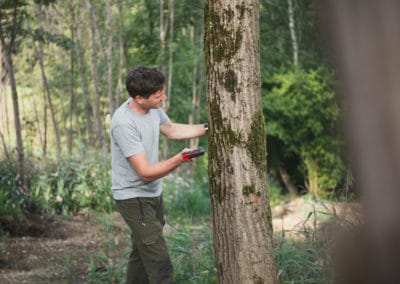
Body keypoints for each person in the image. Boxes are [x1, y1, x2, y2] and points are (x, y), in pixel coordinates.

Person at [110, 66, 208, 284]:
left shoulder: (153, 110)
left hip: (153, 193)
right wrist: (179, 159)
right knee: (159, 262)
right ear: (139, 98)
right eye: (158, 95)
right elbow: (144, 173)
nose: (163, 97)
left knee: (141, 253)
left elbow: (171, 130)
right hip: (133, 197)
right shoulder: (123, 123)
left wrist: (208, 128)